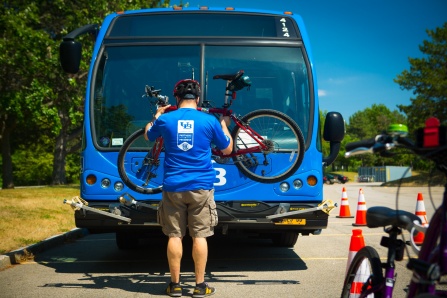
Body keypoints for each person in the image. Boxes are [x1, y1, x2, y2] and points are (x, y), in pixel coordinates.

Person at [145, 79, 233, 297]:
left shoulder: (166, 119)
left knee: (174, 236)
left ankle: (174, 286)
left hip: (173, 186)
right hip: (201, 187)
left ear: (176, 98)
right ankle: (200, 286)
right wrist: (224, 127)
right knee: (199, 236)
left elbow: (148, 134)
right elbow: (228, 149)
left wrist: (156, 115)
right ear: (198, 98)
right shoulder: (209, 120)